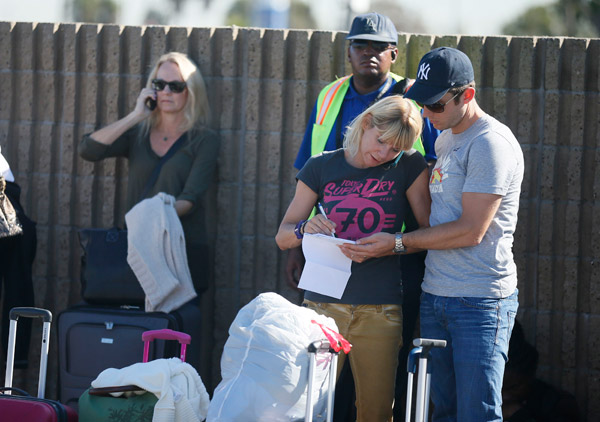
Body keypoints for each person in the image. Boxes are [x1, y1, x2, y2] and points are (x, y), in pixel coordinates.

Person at [340, 47, 524, 421]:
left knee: (477, 414)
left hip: (479, 302)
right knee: (442, 411)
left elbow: (472, 231)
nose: (426, 114)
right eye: (422, 103)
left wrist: (395, 243)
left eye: (435, 105)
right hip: (437, 294)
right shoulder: (444, 138)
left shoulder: (490, 144)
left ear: (467, 95)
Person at [276, 95, 431, 422]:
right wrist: (306, 227)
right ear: (366, 123)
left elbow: (428, 235)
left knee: (375, 413)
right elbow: (283, 235)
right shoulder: (320, 165)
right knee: (309, 409)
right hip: (321, 307)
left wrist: (394, 244)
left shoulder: (410, 166)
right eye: (382, 142)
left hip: (381, 308)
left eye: (396, 149)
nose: (385, 153)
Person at [79, 51, 219, 296]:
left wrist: (148, 219)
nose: (166, 92)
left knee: (171, 328)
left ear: (191, 91)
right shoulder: (139, 135)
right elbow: (88, 150)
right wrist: (136, 116)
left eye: (175, 86)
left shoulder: (204, 140)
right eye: (159, 85)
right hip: (137, 249)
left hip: (180, 250)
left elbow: (190, 199)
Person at [0, 147, 36, 371]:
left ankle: (15, 357)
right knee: (18, 289)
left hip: (8, 208)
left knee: (18, 290)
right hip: (12, 211)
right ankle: (15, 358)